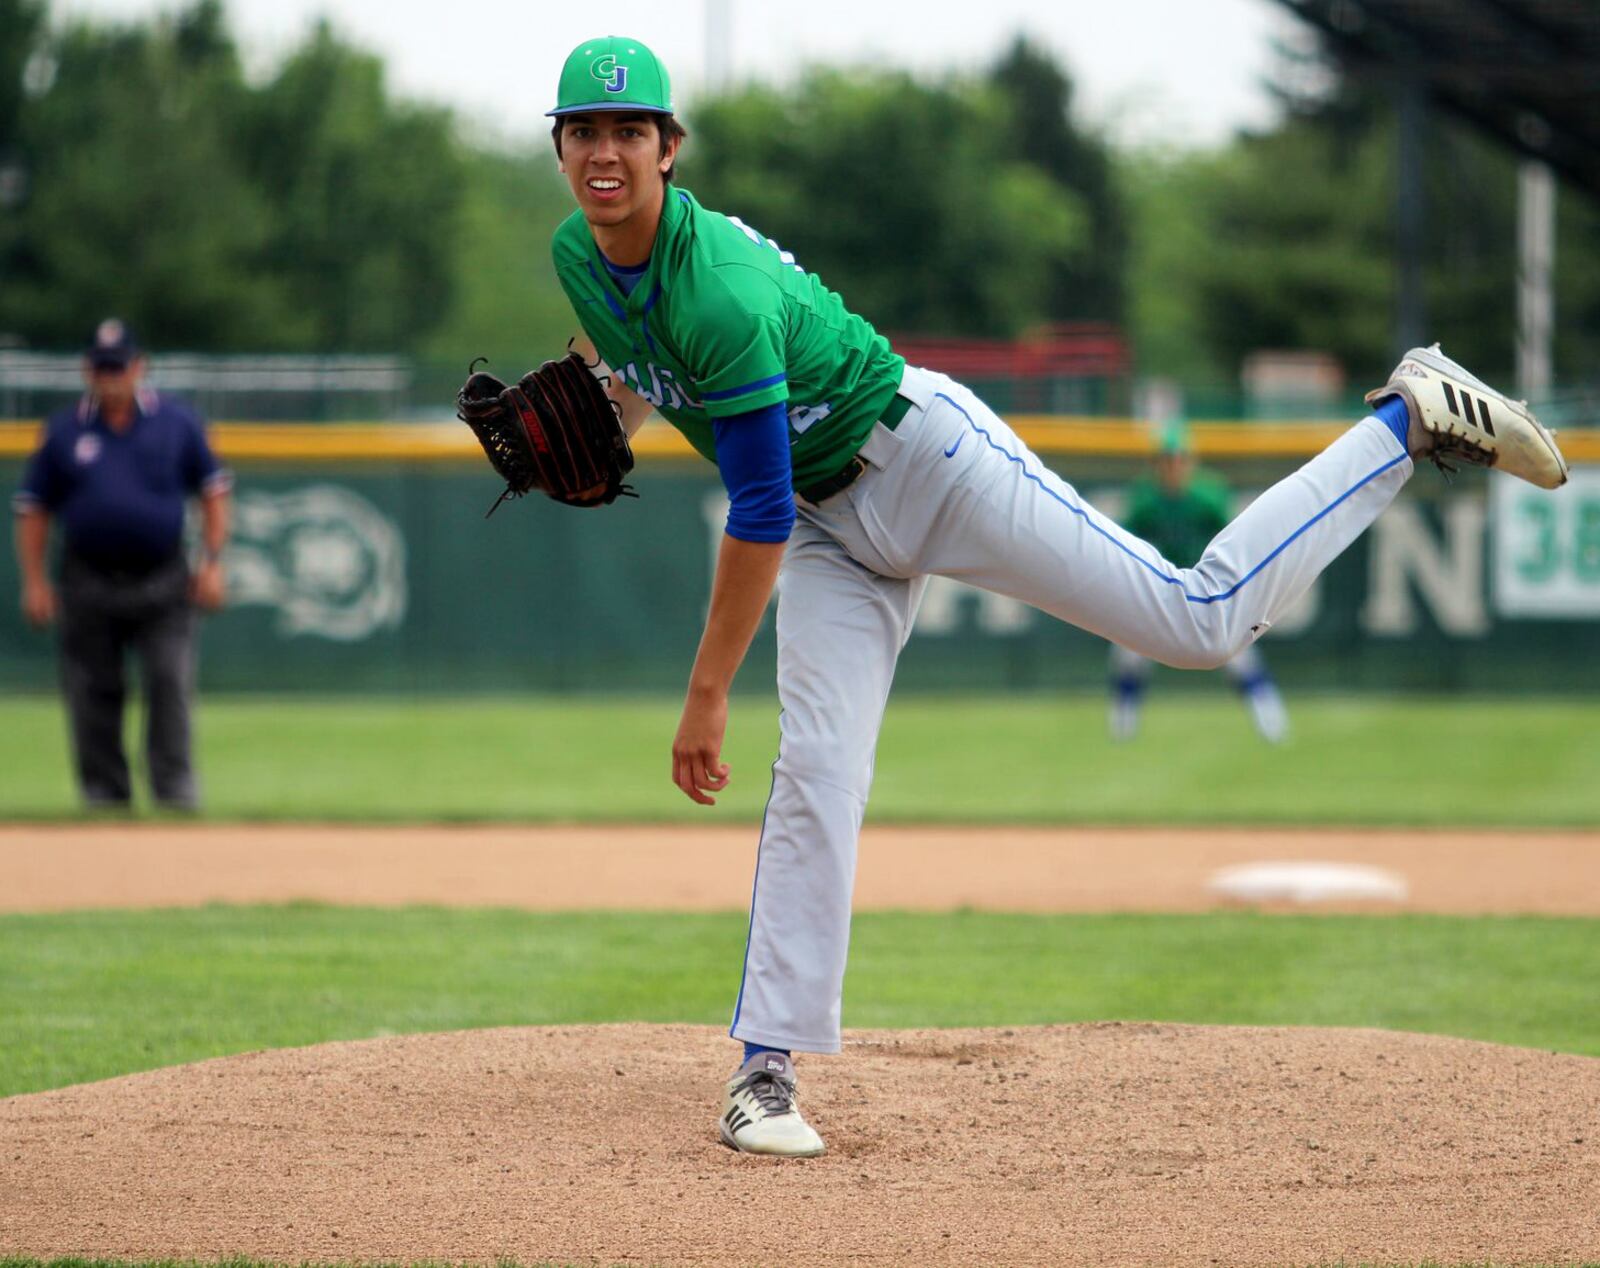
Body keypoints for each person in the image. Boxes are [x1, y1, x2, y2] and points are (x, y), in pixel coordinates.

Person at [538, 36, 1567, 1157]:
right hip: (838, 528)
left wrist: (704, 694)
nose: (605, 151)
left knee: (1197, 622)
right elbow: (639, 359)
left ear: (669, 148)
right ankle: (767, 1069)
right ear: (559, 146)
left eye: (629, 130)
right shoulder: (577, 255)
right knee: (818, 771)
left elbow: (760, 513)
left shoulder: (724, 292)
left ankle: (1405, 419)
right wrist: (603, 414)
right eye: (583, 131)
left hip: (922, 462)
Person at [13, 319, 232, 811]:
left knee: (170, 684)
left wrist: (213, 561)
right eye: (102, 366)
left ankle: (175, 797)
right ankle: (105, 799)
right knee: (92, 693)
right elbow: (34, 509)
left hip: (163, 577)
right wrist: (34, 580)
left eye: (119, 365)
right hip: (87, 577)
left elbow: (214, 492)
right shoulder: (64, 430)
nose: (111, 375)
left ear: (139, 367)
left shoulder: (177, 422)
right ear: (87, 370)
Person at [1108, 421, 1288, 744]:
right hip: (1160, 587)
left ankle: (1269, 717)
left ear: (1190, 462)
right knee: (1129, 652)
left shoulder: (1209, 496)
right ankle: (1123, 721)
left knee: (1236, 654)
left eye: (1178, 459)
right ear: (1156, 465)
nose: (1173, 467)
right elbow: (1124, 542)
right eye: (1166, 460)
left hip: (1204, 589)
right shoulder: (1145, 499)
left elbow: (1236, 539)